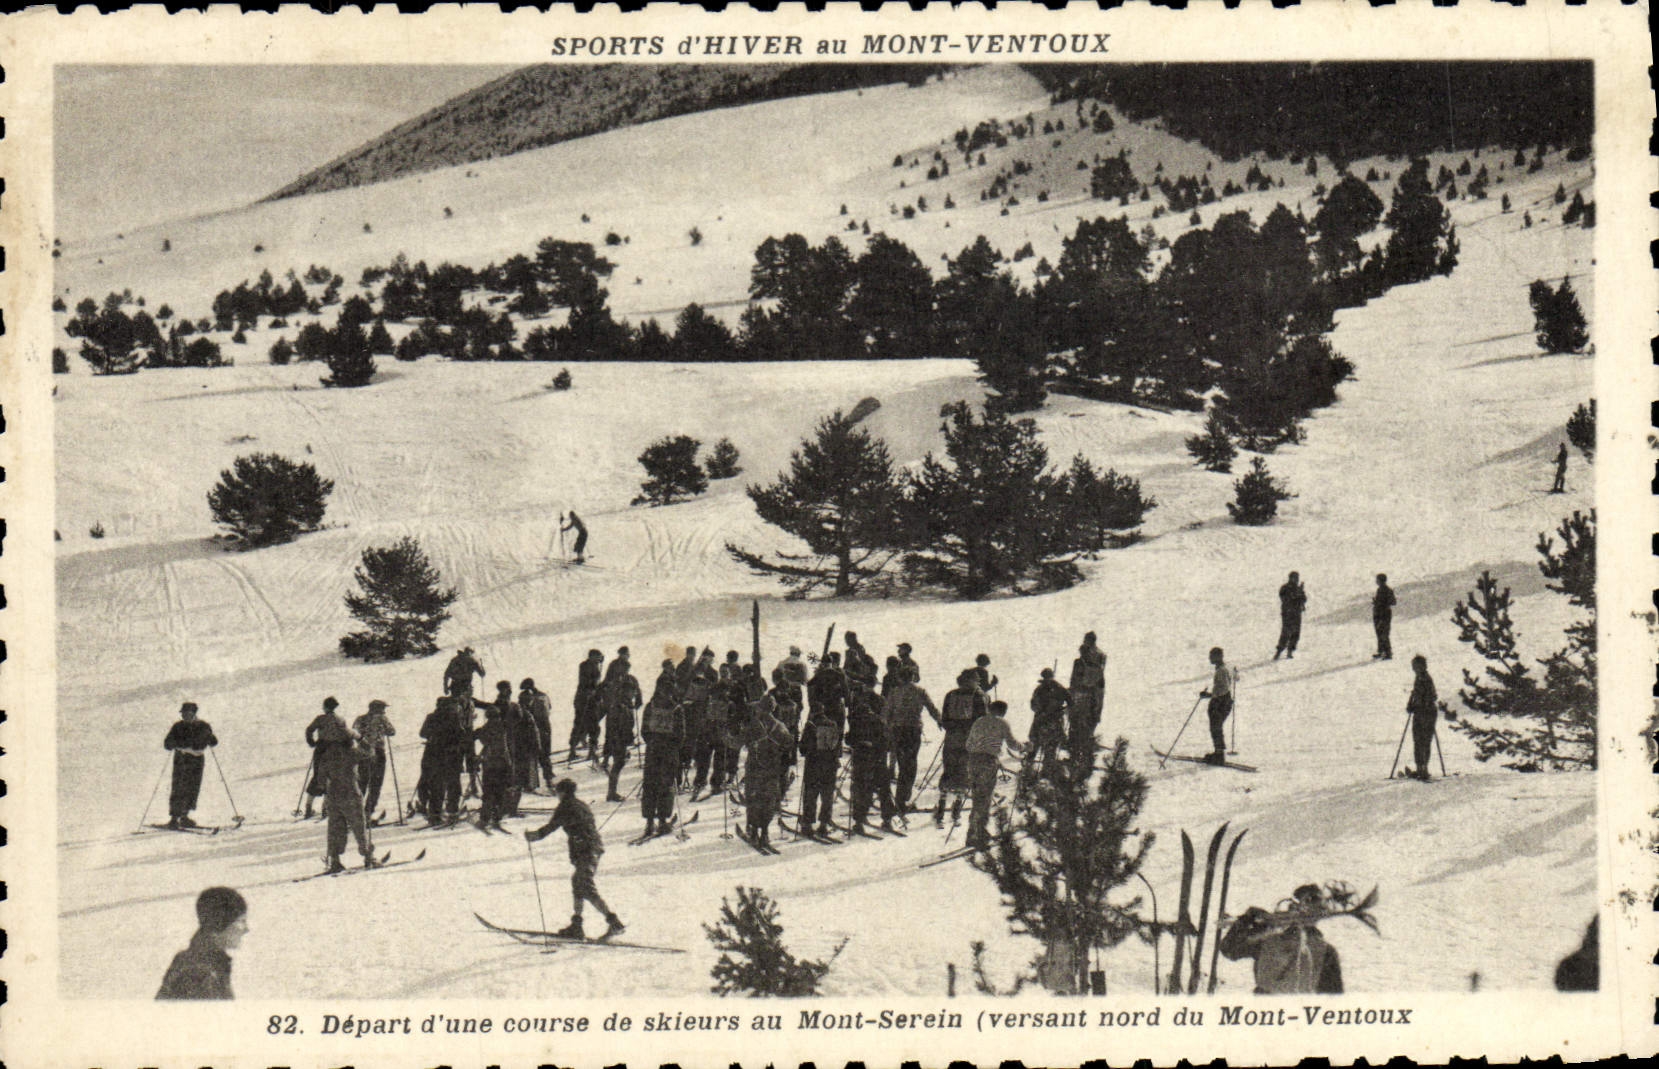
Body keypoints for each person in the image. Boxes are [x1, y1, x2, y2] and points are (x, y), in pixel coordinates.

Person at [525, 778, 624, 940]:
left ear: (562, 792)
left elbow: (550, 827)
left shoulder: (565, 806)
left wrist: (533, 836)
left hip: (586, 850)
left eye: (557, 792)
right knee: (578, 884)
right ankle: (576, 926)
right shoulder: (581, 804)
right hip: (591, 848)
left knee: (585, 886)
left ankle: (614, 923)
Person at [1219, 884, 1344, 994]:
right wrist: (1245, 921)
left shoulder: (1267, 937)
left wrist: (1245, 921)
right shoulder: (1327, 951)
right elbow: (1229, 950)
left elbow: (1229, 950)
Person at [305, 697, 376, 872]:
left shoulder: (326, 757)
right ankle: (368, 856)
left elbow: (320, 781)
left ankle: (334, 860)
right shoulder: (352, 752)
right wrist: (359, 738)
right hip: (351, 793)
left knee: (335, 829)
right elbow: (370, 753)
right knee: (359, 825)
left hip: (333, 796)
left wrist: (315, 743)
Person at [156, 887, 247, 1000]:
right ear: (219, 924)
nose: (246, 929)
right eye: (241, 921)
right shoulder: (200, 975)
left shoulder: (197, 961)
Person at [964, 700, 1026, 849]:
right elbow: (1012, 744)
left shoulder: (978, 722)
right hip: (988, 762)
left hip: (972, 761)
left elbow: (968, 744)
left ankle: (973, 832)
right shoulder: (1002, 723)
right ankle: (979, 836)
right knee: (985, 798)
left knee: (977, 797)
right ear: (1003, 711)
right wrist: (1025, 747)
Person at [735, 690, 794, 847]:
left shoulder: (753, 726)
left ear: (760, 708)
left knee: (753, 798)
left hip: (754, 767)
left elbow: (737, 742)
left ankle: (753, 830)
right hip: (772, 768)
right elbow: (789, 744)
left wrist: (725, 737)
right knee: (768, 800)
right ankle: (765, 833)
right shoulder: (780, 727)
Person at [935, 669, 987, 828]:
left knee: (949, 771)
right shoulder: (979, 696)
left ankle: (940, 813)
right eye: (976, 680)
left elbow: (944, 719)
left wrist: (952, 728)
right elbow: (982, 721)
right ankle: (955, 812)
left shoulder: (950, 695)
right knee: (964, 774)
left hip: (952, 738)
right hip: (968, 740)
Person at [846, 681, 899, 834]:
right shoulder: (878, 720)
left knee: (862, 790)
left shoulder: (856, 721)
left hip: (862, 760)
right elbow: (886, 741)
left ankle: (859, 822)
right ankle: (887, 820)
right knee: (884, 790)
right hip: (879, 759)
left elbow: (849, 740)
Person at [884, 668, 940, 813]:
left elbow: (886, 713)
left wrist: (886, 729)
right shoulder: (920, 691)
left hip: (897, 731)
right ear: (913, 677)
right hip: (912, 731)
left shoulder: (894, 692)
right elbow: (932, 708)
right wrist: (941, 721)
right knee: (911, 764)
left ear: (900, 677)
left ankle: (900, 800)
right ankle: (902, 800)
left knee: (902, 764)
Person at [639, 660, 684, 836]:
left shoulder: (651, 706)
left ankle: (650, 822)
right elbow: (681, 734)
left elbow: (644, 731)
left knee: (650, 784)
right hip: (669, 753)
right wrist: (673, 746)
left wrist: (653, 742)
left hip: (653, 751)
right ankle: (663, 820)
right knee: (665, 786)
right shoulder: (676, 709)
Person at [162, 701, 218, 830]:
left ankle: (184, 816)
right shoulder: (177, 726)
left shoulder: (203, 726)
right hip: (181, 759)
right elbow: (167, 743)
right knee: (179, 787)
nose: (185, 716)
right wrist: (176, 744)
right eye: (183, 714)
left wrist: (208, 737)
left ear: (194, 713)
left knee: (193, 787)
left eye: (188, 713)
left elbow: (214, 742)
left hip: (197, 760)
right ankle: (174, 818)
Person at [417, 696, 469, 824]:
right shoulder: (454, 718)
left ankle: (434, 815)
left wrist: (433, 736)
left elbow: (422, 733)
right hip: (451, 756)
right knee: (453, 784)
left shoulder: (431, 717)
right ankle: (452, 812)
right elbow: (461, 735)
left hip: (433, 754)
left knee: (436, 785)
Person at [601, 650, 641, 801]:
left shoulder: (623, 704)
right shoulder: (620, 706)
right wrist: (625, 740)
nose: (633, 695)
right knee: (618, 765)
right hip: (618, 740)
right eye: (632, 692)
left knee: (618, 764)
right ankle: (611, 793)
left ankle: (612, 791)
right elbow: (619, 726)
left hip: (617, 739)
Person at [797, 703, 842, 839]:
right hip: (830, 765)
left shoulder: (810, 726)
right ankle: (823, 824)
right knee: (827, 796)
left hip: (814, 765)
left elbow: (803, 749)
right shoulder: (833, 725)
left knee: (811, 794)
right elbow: (838, 748)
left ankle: (808, 825)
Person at [472, 700, 516, 830]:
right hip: (504, 764)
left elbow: (486, 743)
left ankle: (484, 820)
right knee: (500, 793)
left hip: (491, 765)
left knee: (489, 793)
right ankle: (497, 818)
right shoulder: (504, 727)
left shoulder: (486, 729)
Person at [352, 699, 396, 822]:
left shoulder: (360, 719)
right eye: (383, 709)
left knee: (362, 783)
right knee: (375, 784)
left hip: (363, 753)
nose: (384, 711)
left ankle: (356, 813)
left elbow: (353, 732)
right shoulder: (382, 719)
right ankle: (368, 812)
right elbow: (392, 731)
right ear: (378, 709)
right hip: (378, 752)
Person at [1067, 632, 1106, 754]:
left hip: (1080, 695)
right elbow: (1100, 681)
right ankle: (1087, 748)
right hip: (1096, 694)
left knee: (1076, 723)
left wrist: (1070, 694)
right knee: (1091, 721)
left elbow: (1074, 680)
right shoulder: (1101, 657)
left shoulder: (1080, 661)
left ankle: (1074, 751)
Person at [1405, 655, 1440, 780]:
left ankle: (1424, 768)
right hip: (1421, 713)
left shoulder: (1426, 679)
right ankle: (1420, 767)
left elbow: (1432, 696)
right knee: (1418, 740)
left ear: (1422, 666)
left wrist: (1418, 706)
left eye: (1415, 666)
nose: (1413, 669)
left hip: (1427, 713)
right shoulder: (1418, 678)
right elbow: (1415, 694)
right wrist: (1411, 704)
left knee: (1424, 740)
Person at [1028, 668, 1070, 770]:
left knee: (1038, 744)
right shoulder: (1059, 688)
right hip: (1051, 721)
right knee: (1045, 746)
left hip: (1045, 720)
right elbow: (1071, 702)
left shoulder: (1040, 689)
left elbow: (1033, 705)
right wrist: (1063, 710)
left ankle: (1032, 769)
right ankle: (1040, 770)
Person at [1198, 647, 1234, 765]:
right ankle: (1218, 753)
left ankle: (1219, 755)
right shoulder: (1225, 668)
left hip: (1220, 703)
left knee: (1216, 727)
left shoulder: (1221, 671)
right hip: (1225, 701)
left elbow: (1222, 689)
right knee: (1216, 727)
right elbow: (1235, 678)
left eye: (1212, 656)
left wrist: (1208, 695)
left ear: (1218, 657)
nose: (1209, 658)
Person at [519, 678, 555, 789]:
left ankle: (530, 783)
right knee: (545, 755)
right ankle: (549, 780)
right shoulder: (544, 695)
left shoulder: (525, 697)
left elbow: (522, 713)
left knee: (530, 755)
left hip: (532, 729)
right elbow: (550, 707)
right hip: (546, 728)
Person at [570, 649, 605, 763]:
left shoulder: (589, 665)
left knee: (583, 725)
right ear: (592, 657)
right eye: (597, 657)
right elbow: (591, 682)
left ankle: (577, 750)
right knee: (587, 725)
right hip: (586, 700)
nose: (599, 659)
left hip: (585, 700)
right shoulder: (588, 666)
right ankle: (588, 751)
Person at [1275, 572, 1307, 660]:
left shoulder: (1297, 588)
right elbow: (1285, 598)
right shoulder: (1285, 588)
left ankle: (1290, 651)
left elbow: (1304, 599)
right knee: (1286, 632)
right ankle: (1279, 651)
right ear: (1290, 578)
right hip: (1288, 613)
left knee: (1296, 633)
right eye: (1295, 578)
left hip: (1296, 613)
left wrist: (1300, 592)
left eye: (1297, 578)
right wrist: (1297, 593)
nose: (1296, 580)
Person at [1372, 574, 1396, 660]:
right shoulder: (1379, 589)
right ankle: (1381, 651)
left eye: (1377, 579)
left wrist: (1381, 603)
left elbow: (1393, 602)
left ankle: (1388, 653)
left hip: (1384, 614)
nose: (1376, 581)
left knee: (1384, 633)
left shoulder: (1387, 590)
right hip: (1378, 614)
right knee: (1379, 633)